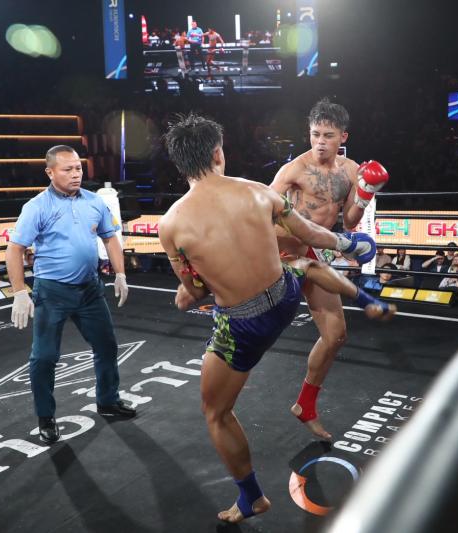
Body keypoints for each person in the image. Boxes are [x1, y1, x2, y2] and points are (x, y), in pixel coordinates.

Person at [158, 113, 394, 524]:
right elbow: (311, 235)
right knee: (305, 265)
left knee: (216, 413)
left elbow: (195, 292)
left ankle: (251, 497)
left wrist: (188, 292)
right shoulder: (258, 191)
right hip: (284, 298)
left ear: (180, 164)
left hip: (244, 324)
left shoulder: (171, 225)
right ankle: (364, 298)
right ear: (218, 153)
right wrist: (350, 245)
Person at [270, 98, 390, 440]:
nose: (320, 142)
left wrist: (365, 193)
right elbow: (261, 207)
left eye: (327, 135)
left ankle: (305, 405)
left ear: (343, 137)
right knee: (250, 324)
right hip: (278, 249)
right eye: (315, 134)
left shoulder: (351, 171)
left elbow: (350, 221)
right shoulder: (294, 169)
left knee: (336, 334)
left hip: (311, 251)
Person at [6, 145, 135, 445]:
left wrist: (121, 274)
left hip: (90, 289)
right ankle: (46, 417)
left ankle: (108, 400)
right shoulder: (37, 207)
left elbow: (110, 238)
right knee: (44, 357)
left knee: (107, 346)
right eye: (68, 169)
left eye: (78, 168)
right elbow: (15, 249)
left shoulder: (94, 201)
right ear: (50, 172)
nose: (76, 174)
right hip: (52, 292)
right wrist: (19, 292)